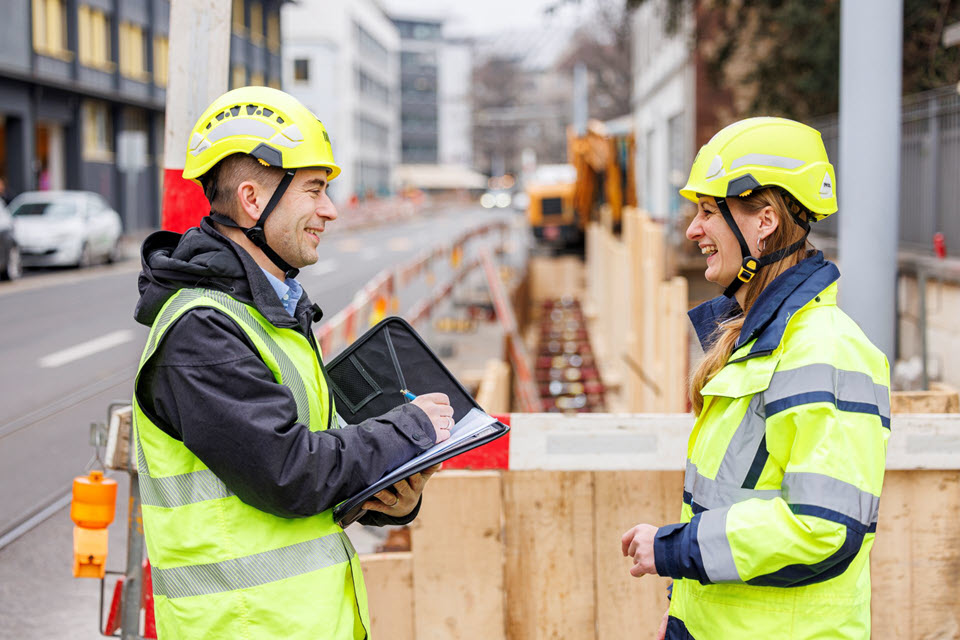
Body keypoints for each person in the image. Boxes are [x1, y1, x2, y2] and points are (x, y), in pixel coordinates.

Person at [133, 86, 455, 639]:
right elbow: (287, 473)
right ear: (255, 201)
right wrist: (408, 431)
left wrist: (390, 498)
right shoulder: (202, 331)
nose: (330, 210)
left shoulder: (271, 314)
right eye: (314, 190)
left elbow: (320, 469)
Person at [621, 117, 890, 639]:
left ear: (764, 221)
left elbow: (823, 527)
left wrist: (673, 548)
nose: (692, 231)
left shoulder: (825, 351)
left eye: (706, 212)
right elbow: (728, 503)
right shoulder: (757, 344)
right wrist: (681, 610)